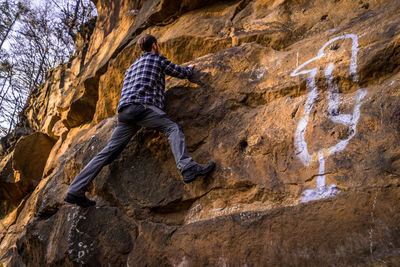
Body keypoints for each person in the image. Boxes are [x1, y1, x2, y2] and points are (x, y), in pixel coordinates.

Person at [64, 34, 215, 207]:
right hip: (143, 108)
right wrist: (190, 69)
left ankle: (75, 189)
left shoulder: (131, 68)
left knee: (108, 152)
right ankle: (187, 167)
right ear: (155, 45)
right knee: (173, 128)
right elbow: (180, 72)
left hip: (125, 112)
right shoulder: (157, 59)